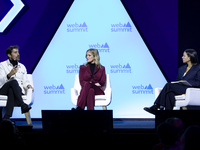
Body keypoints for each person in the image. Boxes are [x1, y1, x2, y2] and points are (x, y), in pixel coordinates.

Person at [144, 49, 200, 114]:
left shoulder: (198, 68)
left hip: (191, 90)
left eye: (184, 56)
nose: (182, 57)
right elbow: (178, 81)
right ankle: (167, 115)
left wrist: (186, 82)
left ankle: (157, 105)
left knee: (168, 85)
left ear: (190, 57)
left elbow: (198, 83)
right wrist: (180, 82)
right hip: (180, 89)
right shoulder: (181, 69)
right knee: (169, 94)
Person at [0, 45, 34, 120]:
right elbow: (0, 81)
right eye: (15, 52)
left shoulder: (22, 67)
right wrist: (9, 75)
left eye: (18, 52)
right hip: (3, 90)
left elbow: (25, 81)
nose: (18, 54)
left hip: (17, 91)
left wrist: (28, 85)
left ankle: (7, 117)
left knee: (11, 90)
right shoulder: (2, 65)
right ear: (9, 55)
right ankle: (22, 104)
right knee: (13, 82)